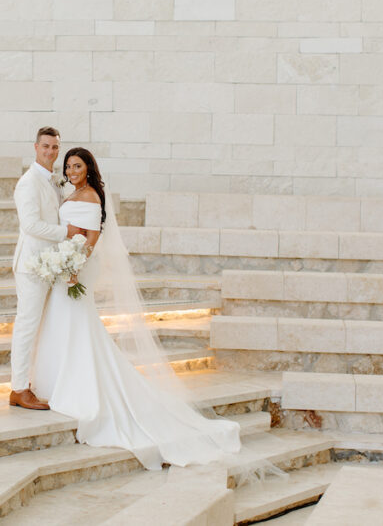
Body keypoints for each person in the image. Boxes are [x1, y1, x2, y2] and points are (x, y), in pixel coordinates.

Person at [28, 147, 242, 470]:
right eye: (68, 166)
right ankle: (56, 377)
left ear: (88, 169)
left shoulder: (90, 197)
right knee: (63, 320)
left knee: (76, 319)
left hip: (77, 267)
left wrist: (74, 265)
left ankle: (79, 383)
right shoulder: (73, 193)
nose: (71, 171)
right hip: (65, 265)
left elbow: (92, 237)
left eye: (77, 165)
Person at [8, 126, 80, 410]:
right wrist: (67, 231)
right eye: (46, 146)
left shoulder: (54, 180)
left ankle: (38, 382)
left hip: (50, 264)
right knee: (27, 326)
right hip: (31, 265)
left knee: (43, 327)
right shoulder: (28, 182)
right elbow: (31, 225)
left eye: (55, 147)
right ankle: (18, 388)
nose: (51, 151)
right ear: (35, 147)